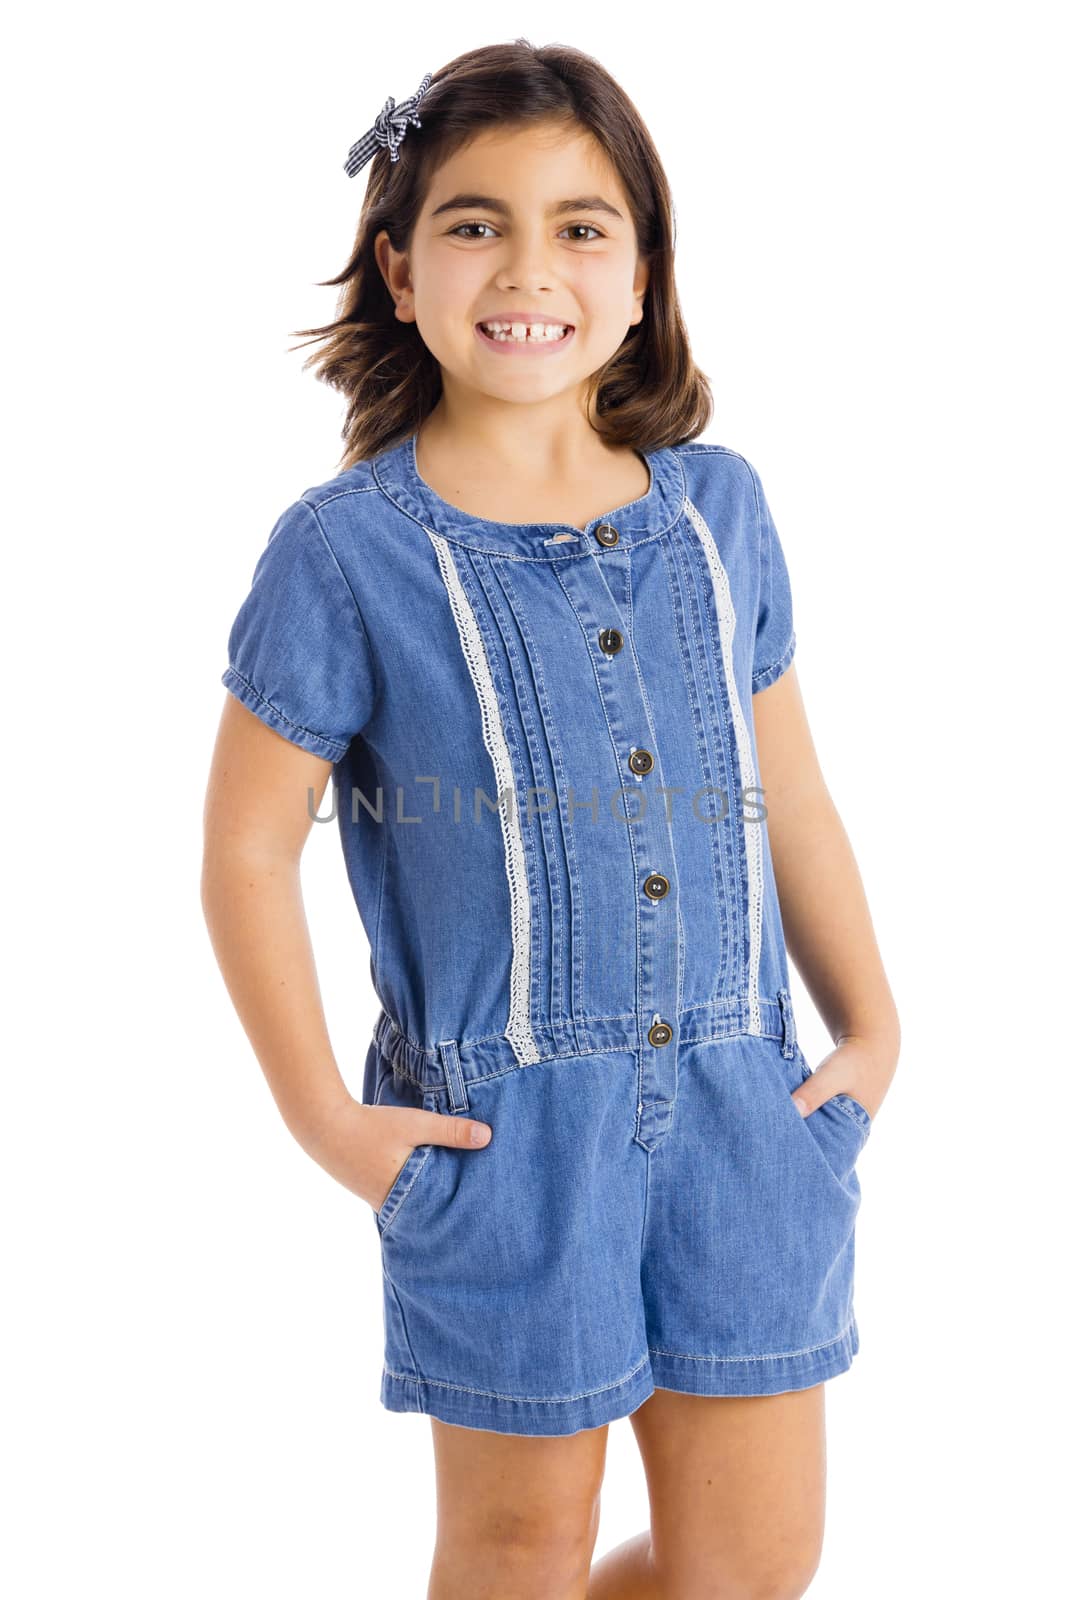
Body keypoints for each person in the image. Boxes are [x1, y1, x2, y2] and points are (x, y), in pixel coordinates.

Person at [201, 37, 900, 1600]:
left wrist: (872, 1032)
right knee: (521, 1554)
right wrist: (327, 1117)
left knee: (751, 1563)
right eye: (474, 223)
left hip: (746, 1110)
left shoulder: (718, 512)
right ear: (398, 266)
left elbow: (789, 785)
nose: (530, 267)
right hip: (504, 1139)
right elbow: (247, 845)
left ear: (644, 273)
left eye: (582, 226)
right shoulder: (343, 554)